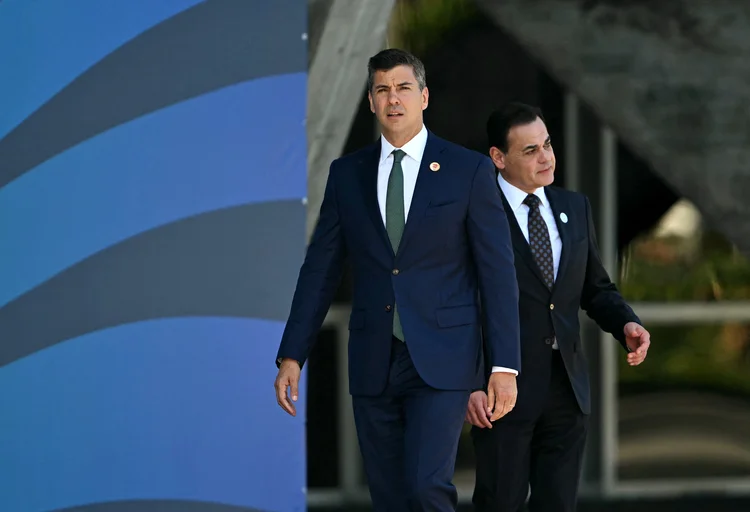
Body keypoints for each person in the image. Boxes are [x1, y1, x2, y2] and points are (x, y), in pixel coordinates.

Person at [273, 48, 521, 511]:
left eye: (404, 88)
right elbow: (320, 269)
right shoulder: (348, 174)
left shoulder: (469, 171)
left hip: (443, 359)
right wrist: (292, 353)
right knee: (389, 497)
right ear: (371, 101)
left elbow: (497, 273)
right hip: (374, 357)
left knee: (428, 487)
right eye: (383, 89)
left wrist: (503, 366)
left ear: (424, 97)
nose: (394, 99)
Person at [467, 102, 652, 512]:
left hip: (567, 388)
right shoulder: (476, 214)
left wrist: (626, 325)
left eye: (547, 144)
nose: (546, 157)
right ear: (498, 158)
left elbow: (596, 288)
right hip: (504, 388)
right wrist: (472, 381)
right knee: (501, 502)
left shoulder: (574, 206)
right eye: (530, 150)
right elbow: (462, 304)